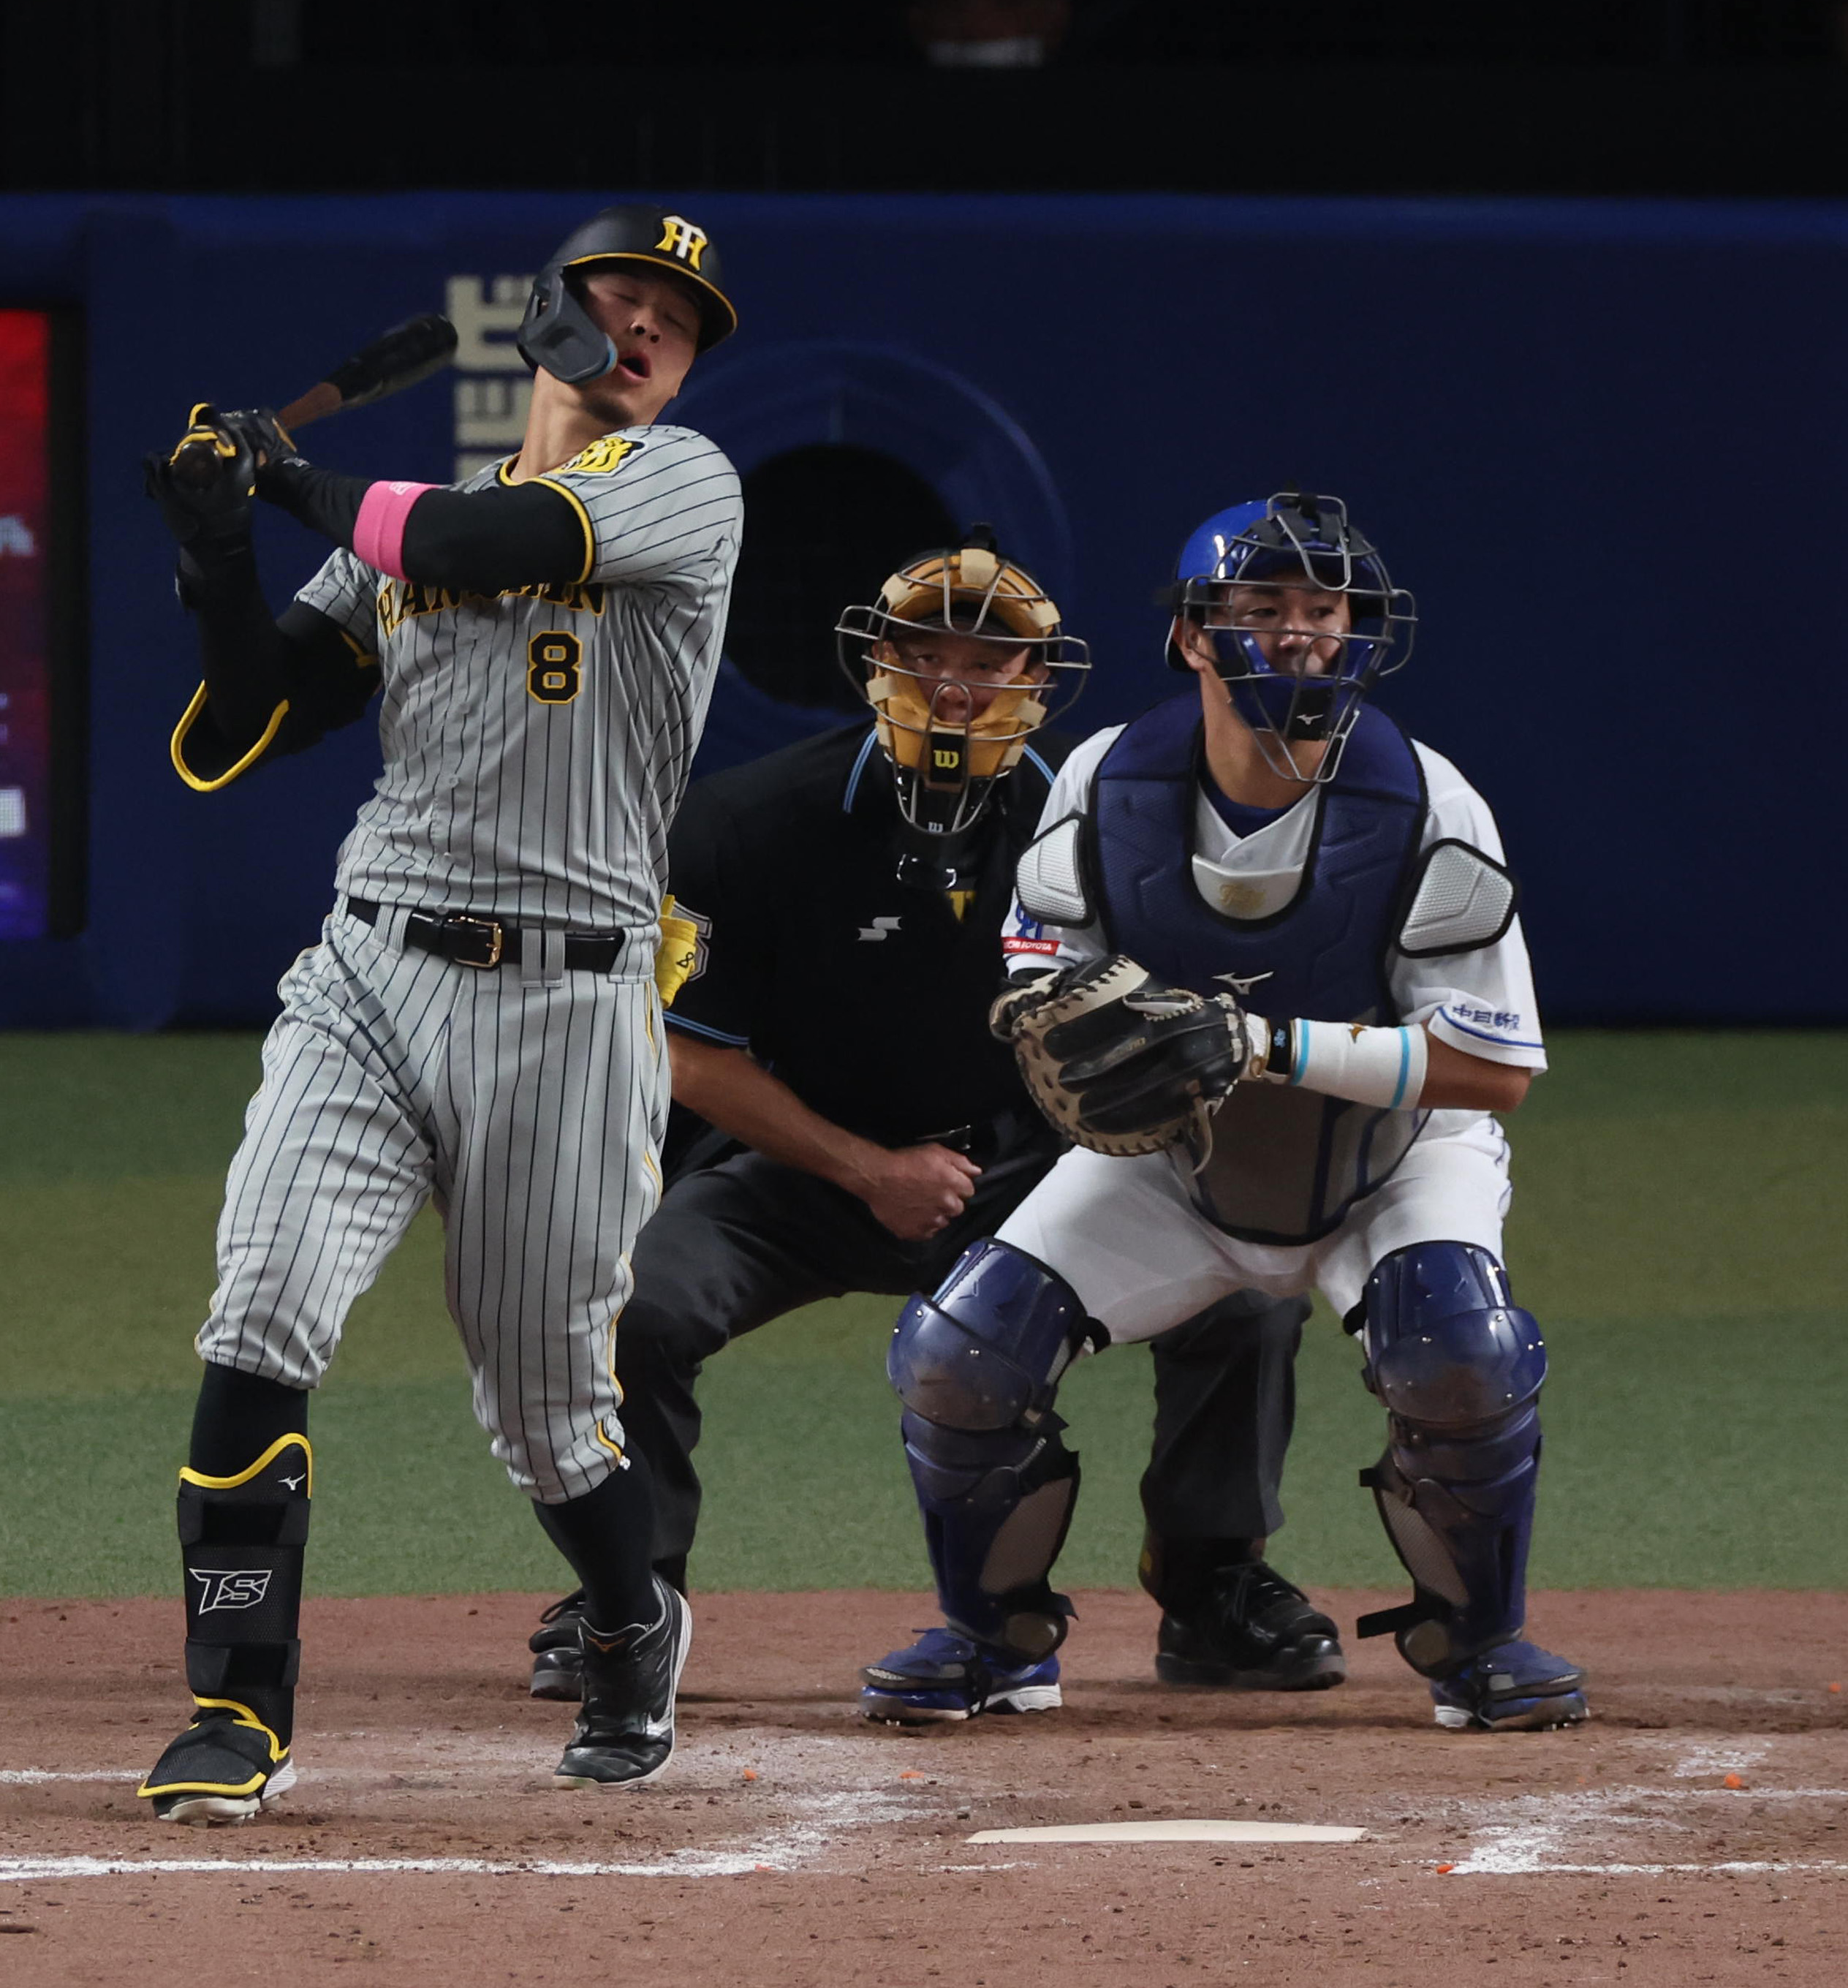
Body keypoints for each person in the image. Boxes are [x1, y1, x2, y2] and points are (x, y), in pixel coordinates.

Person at [132, 204, 743, 1818]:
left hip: (566, 1000)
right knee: (259, 1308)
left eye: (670, 325)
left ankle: (630, 1613)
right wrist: (212, 547)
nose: (641, 332)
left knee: (546, 1407)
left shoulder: (680, 488)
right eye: (619, 297)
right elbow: (237, 729)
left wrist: (285, 479)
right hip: (370, 971)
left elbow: (485, 550)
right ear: (545, 314)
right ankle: (232, 1712)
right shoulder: (402, 522)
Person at [522, 532, 1341, 1717]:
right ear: (875, 662)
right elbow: (681, 1049)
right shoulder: (749, 820)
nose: (957, 683)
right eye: (925, 650)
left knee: (1245, 1289)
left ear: (1042, 683)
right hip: (797, 1165)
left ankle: (1214, 1582)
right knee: (629, 1303)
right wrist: (867, 1167)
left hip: (1029, 1175)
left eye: (992, 660)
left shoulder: (1102, 833)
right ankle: (628, 1597)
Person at [863, 493, 1586, 1733]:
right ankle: (994, 1639)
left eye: (1326, 608)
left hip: (1395, 1161)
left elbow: (1492, 1071)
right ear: (1195, 634)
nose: (1302, 634)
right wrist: (1065, 1018)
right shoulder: (1105, 780)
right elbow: (1041, 976)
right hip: (1177, 1165)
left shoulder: (1429, 802)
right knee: (957, 1357)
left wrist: (1261, 1040)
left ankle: (1479, 1639)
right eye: (1263, 608)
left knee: (1458, 1353)